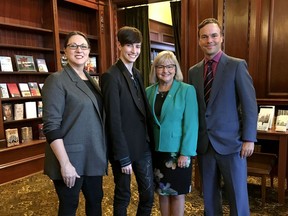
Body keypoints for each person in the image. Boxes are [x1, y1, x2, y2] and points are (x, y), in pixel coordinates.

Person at [188, 18, 258, 215]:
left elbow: (249, 105)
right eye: (204, 37)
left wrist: (249, 138)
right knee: (209, 196)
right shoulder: (193, 71)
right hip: (205, 145)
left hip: (233, 144)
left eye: (213, 35)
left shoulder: (236, 66)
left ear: (221, 38)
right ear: (199, 41)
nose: (209, 40)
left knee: (237, 195)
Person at [42, 31, 107, 216]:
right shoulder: (56, 80)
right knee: (69, 206)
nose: (79, 50)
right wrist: (65, 164)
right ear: (65, 51)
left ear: (89, 51)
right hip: (70, 159)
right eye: (73, 46)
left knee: (95, 201)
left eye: (83, 46)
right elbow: (51, 126)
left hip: (92, 155)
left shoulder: (91, 79)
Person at [101, 26, 154, 216]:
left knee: (148, 194)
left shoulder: (137, 74)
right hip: (123, 149)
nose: (134, 51)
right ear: (119, 46)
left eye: (138, 46)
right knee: (124, 195)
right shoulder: (110, 76)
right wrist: (123, 157)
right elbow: (113, 120)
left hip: (143, 146)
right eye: (129, 45)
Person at [146, 51, 198, 216]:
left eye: (169, 66)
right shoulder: (148, 91)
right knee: (162, 192)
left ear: (176, 69)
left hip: (177, 154)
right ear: (155, 69)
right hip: (156, 152)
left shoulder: (186, 90)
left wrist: (186, 153)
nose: (165, 70)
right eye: (160, 66)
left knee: (176, 194)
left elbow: (191, 124)